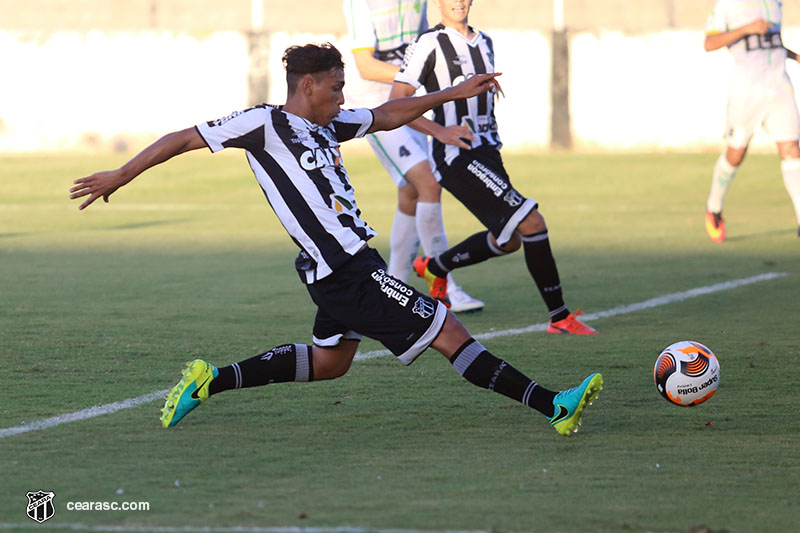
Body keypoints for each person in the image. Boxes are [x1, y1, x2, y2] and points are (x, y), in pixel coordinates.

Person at [69, 43, 602, 436]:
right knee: (448, 330)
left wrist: (452, 93)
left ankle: (210, 380)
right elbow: (183, 138)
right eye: (335, 87)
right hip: (347, 271)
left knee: (330, 363)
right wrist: (120, 174)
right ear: (307, 86)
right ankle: (553, 405)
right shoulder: (263, 124)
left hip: (345, 266)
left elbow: (388, 115)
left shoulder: (330, 124)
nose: (342, 96)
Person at [389, 0, 597, 335]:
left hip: (488, 153)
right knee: (532, 221)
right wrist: (440, 131)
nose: (458, 2)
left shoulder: (484, 41)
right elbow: (396, 101)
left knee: (509, 240)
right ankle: (559, 318)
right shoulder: (429, 43)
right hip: (456, 155)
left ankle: (436, 266)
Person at [342, 0, 484, 312]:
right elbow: (366, 66)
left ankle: (392, 287)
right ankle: (445, 287)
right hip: (373, 103)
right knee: (428, 182)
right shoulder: (359, 3)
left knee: (411, 190)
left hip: (406, 95)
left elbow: (421, 45)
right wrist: (427, 72)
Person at [703, 0, 800, 242]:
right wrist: (745, 28)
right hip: (746, 91)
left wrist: (794, 56)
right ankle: (714, 207)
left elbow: (771, 43)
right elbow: (709, 43)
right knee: (736, 154)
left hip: (780, 87)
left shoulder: (775, 2)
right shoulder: (728, 5)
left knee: (792, 150)